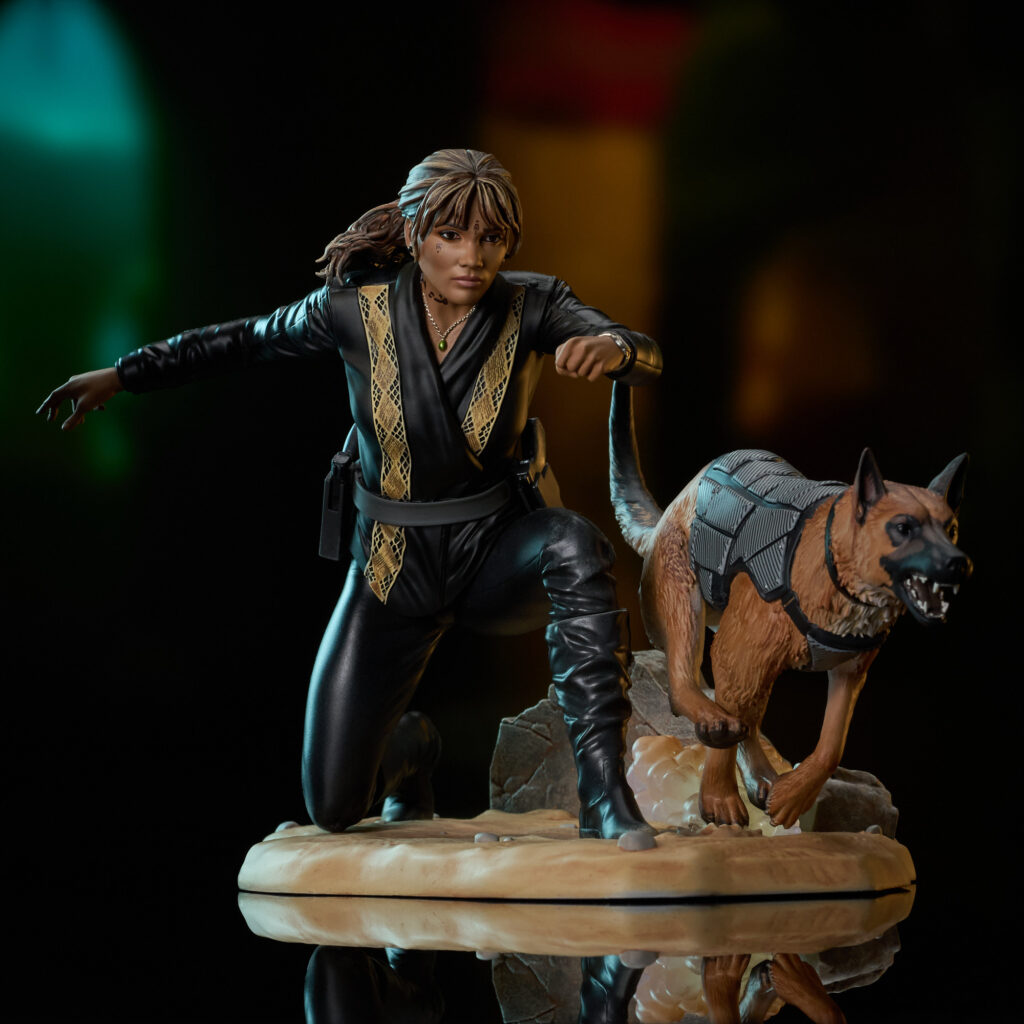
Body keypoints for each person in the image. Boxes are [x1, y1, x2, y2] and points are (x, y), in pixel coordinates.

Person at [37, 148, 662, 840]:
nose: (472, 257)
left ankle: (604, 792)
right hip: (391, 568)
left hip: (493, 553)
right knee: (333, 807)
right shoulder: (353, 311)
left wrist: (615, 349)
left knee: (574, 542)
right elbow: (244, 340)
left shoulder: (532, 304)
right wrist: (124, 374)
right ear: (414, 234)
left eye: (490, 238)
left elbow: (644, 350)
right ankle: (411, 747)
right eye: (451, 234)